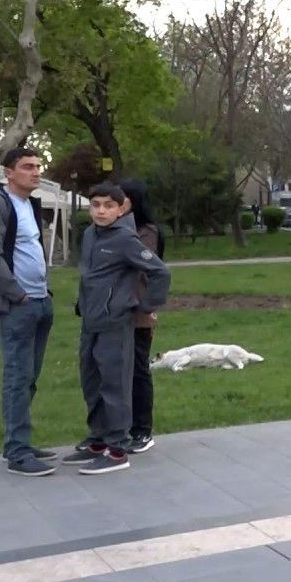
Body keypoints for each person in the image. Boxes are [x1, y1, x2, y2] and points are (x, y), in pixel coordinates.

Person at [61, 183, 171, 475]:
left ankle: (118, 449)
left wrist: (146, 305)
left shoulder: (126, 239)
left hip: (115, 322)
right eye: (95, 204)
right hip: (91, 321)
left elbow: (160, 272)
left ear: (121, 208)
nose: (101, 211)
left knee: (115, 385)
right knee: (92, 382)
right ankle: (98, 440)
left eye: (108, 205)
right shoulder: (90, 234)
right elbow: (88, 277)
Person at [0, 148, 57, 476]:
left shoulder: (29, 204)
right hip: (17, 305)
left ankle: (20, 442)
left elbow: (30, 249)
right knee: (17, 377)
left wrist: (43, 291)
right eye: (27, 167)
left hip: (41, 300)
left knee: (29, 377)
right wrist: (17, 294)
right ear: (8, 172)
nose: (36, 172)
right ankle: (17, 451)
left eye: (38, 166)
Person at [118, 179, 164, 453]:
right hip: (115, 312)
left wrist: (146, 306)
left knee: (138, 370)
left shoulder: (146, 232)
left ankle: (142, 429)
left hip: (137, 312)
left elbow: (144, 268)